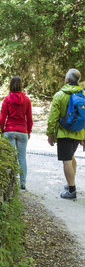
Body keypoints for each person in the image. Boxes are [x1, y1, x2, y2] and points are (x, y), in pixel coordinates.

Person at [46, 68, 85, 200]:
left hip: (64, 133)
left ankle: (72, 190)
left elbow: (53, 117)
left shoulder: (60, 95)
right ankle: (70, 183)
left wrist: (50, 133)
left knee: (66, 160)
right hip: (78, 132)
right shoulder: (83, 94)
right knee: (71, 157)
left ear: (67, 80)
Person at [0, 76, 33, 190]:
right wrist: (29, 131)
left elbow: (2, 117)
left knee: (10, 157)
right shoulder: (27, 100)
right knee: (22, 157)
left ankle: (10, 182)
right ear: (21, 85)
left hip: (9, 130)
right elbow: (29, 118)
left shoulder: (7, 99)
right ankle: (22, 183)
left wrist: (1, 130)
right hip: (22, 131)